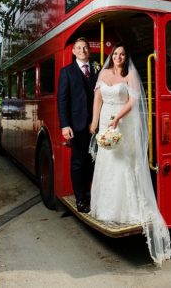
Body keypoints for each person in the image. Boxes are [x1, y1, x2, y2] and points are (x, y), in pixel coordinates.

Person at [89, 42, 171, 266]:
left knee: (123, 164)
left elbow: (133, 101)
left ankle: (126, 209)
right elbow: (98, 98)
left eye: (122, 54)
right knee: (106, 162)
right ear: (111, 56)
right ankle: (104, 207)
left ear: (126, 57)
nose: (118, 56)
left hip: (122, 121)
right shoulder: (104, 73)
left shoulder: (131, 75)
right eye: (115, 53)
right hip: (106, 119)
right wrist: (95, 121)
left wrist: (117, 118)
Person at [57, 37, 98, 213]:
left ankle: (89, 196)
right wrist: (65, 125)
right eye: (79, 48)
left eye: (85, 47)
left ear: (89, 50)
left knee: (92, 162)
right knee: (79, 162)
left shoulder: (98, 69)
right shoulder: (67, 72)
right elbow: (62, 100)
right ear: (73, 52)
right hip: (76, 126)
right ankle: (80, 199)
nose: (82, 50)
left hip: (96, 125)